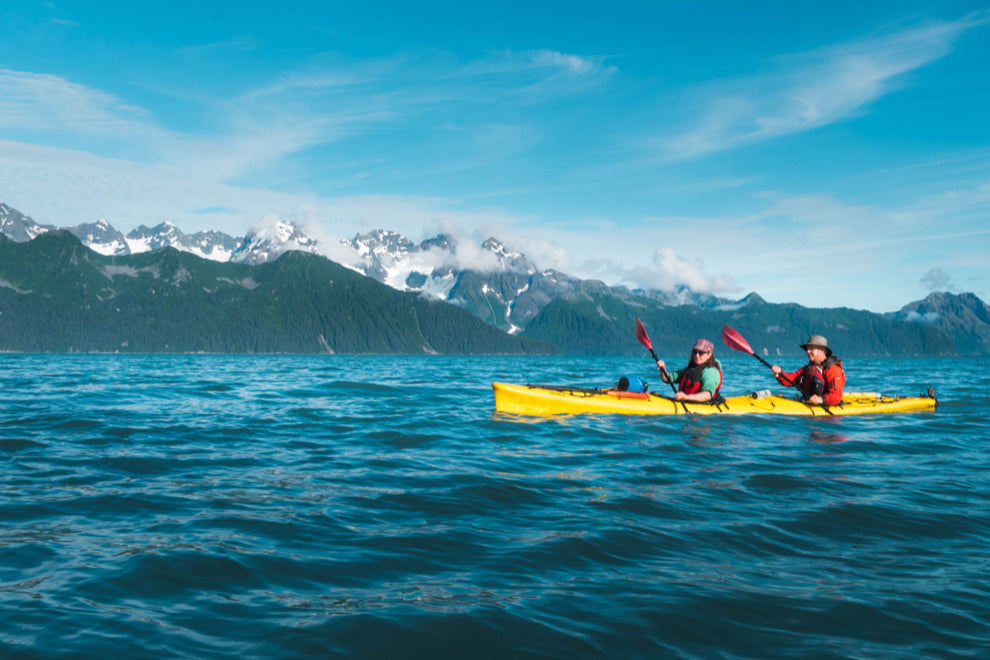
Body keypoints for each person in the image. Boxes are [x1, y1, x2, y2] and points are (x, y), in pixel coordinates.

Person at [771, 334, 845, 406]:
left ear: (821, 349)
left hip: (826, 414)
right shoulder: (808, 369)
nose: (807, 352)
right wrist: (780, 374)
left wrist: (821, 399)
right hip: (808, 403)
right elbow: (791, 379)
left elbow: (836, 396)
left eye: (811, 348)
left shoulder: (833, 369)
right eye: (807, 349)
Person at [655, 339, 723, 403]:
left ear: (709, 354)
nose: (697, 355)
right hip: (687, 402)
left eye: (701, 353)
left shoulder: (710, 372)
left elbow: (708, 395)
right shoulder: (690, 369)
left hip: (703, 407)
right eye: (695, 352)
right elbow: (667, 379)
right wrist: (663, 369)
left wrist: (686, 397)